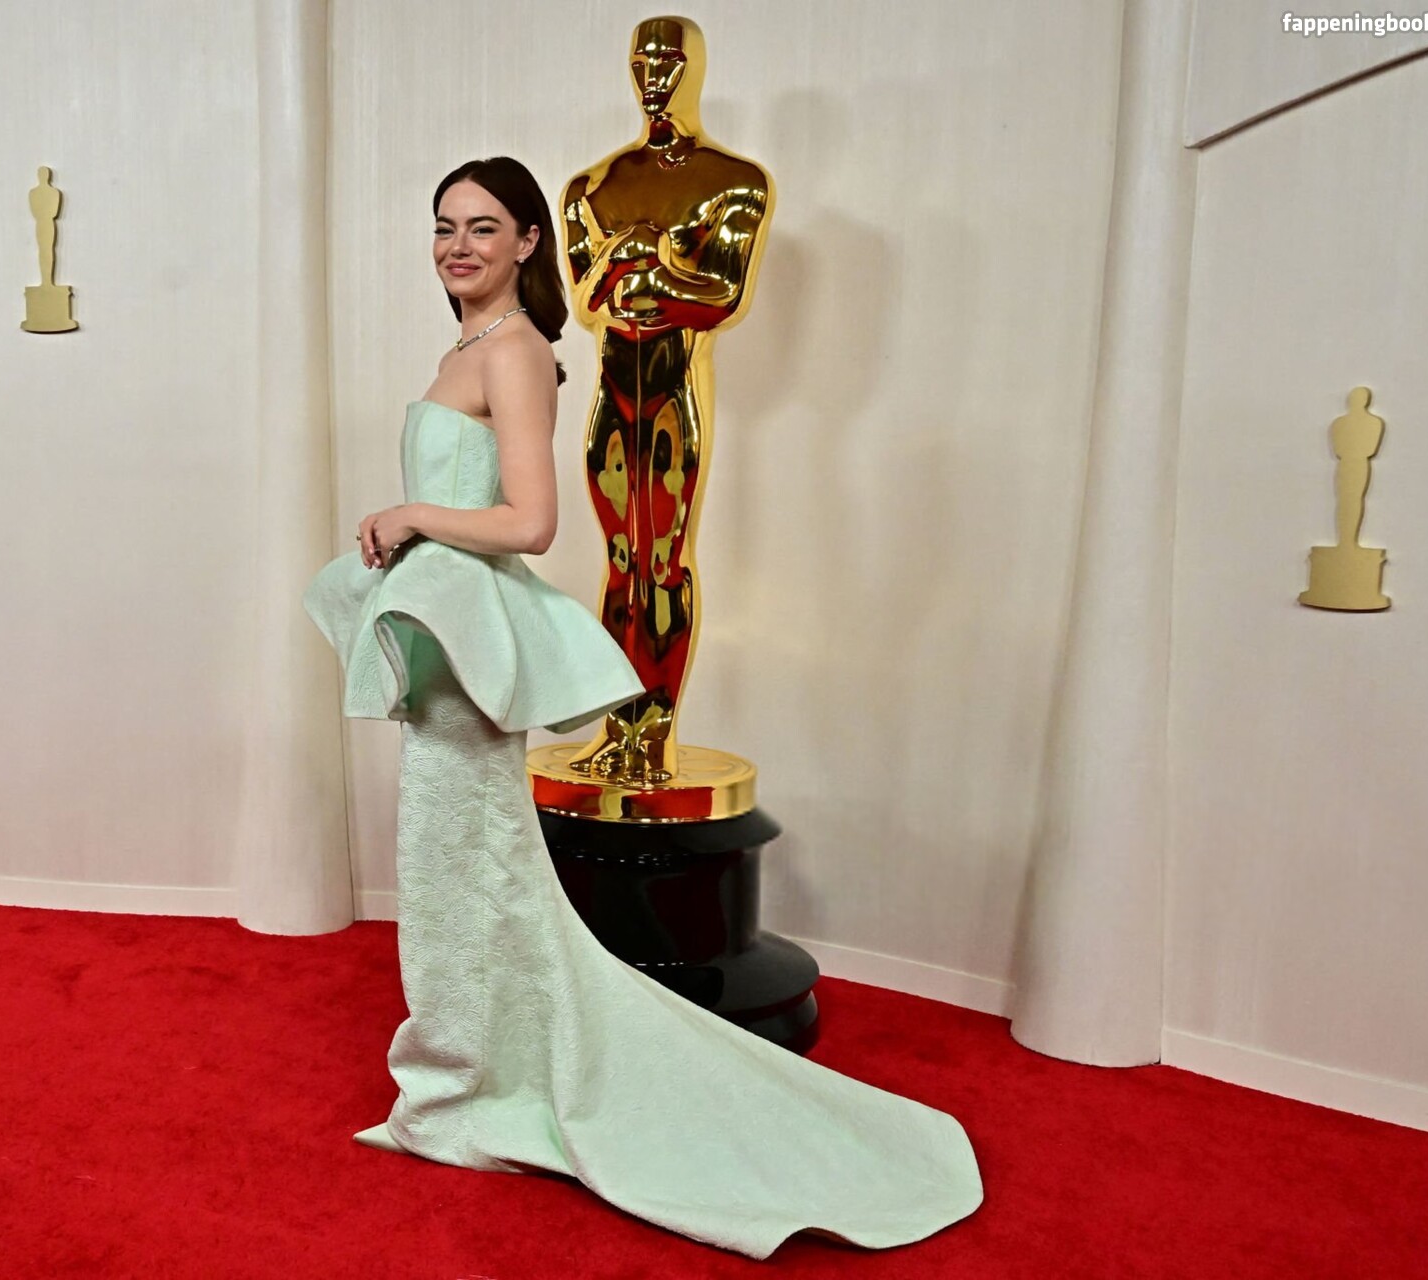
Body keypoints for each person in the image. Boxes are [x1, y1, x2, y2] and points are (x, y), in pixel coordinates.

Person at [301, 156, 982, 1260]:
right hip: (447, 637)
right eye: (444, 226)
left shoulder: (516, 351)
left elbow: (531, 523)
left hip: (472, 639)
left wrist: (413, 513)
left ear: (530, 241)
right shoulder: (465, 349)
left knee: (467, 865)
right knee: (456, 868)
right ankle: (470, 1067)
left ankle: (469, 1079)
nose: (458, 246)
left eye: (484, 227)